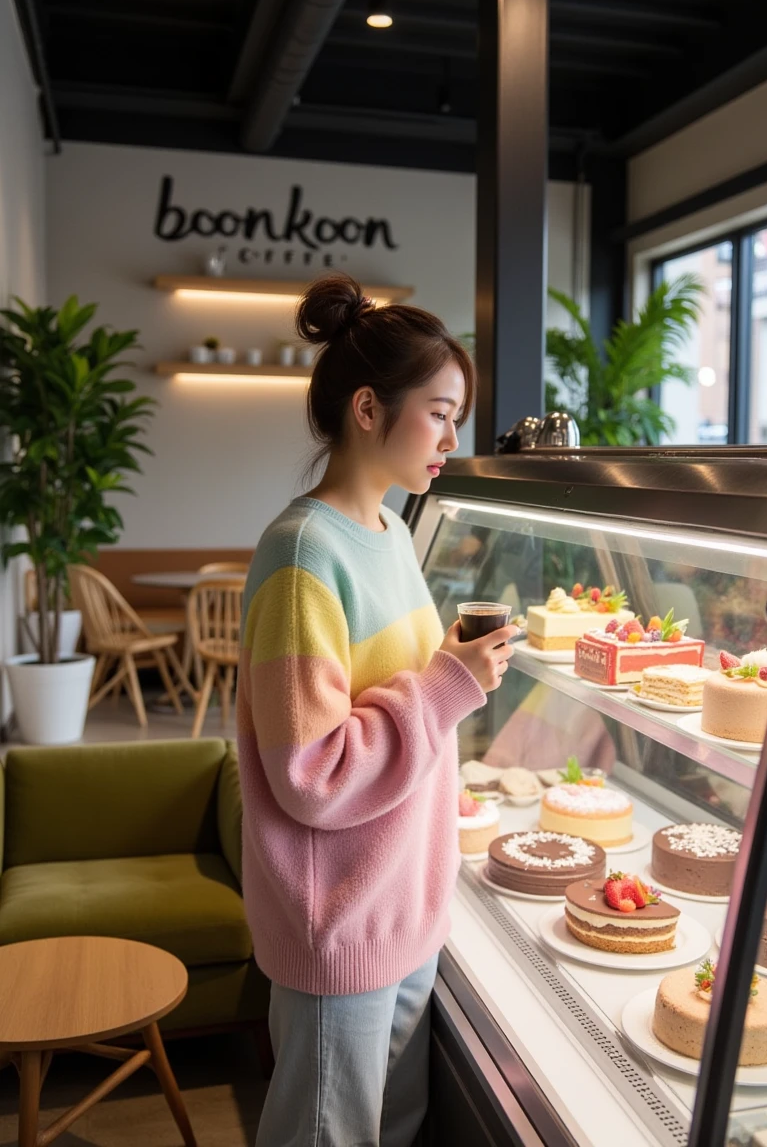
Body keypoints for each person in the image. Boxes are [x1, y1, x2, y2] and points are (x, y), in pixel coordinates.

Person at [237, 274, 517, 1147]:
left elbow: (393, 700)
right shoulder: (304, 553)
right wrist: (447, 684)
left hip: (405, 900)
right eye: (438, 412)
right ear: (368, 409)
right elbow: (311, 775)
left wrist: (449, 770)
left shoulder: (394, 532)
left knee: (388, 1128)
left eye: (456, 416)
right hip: (342, 921)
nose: (452, 437)